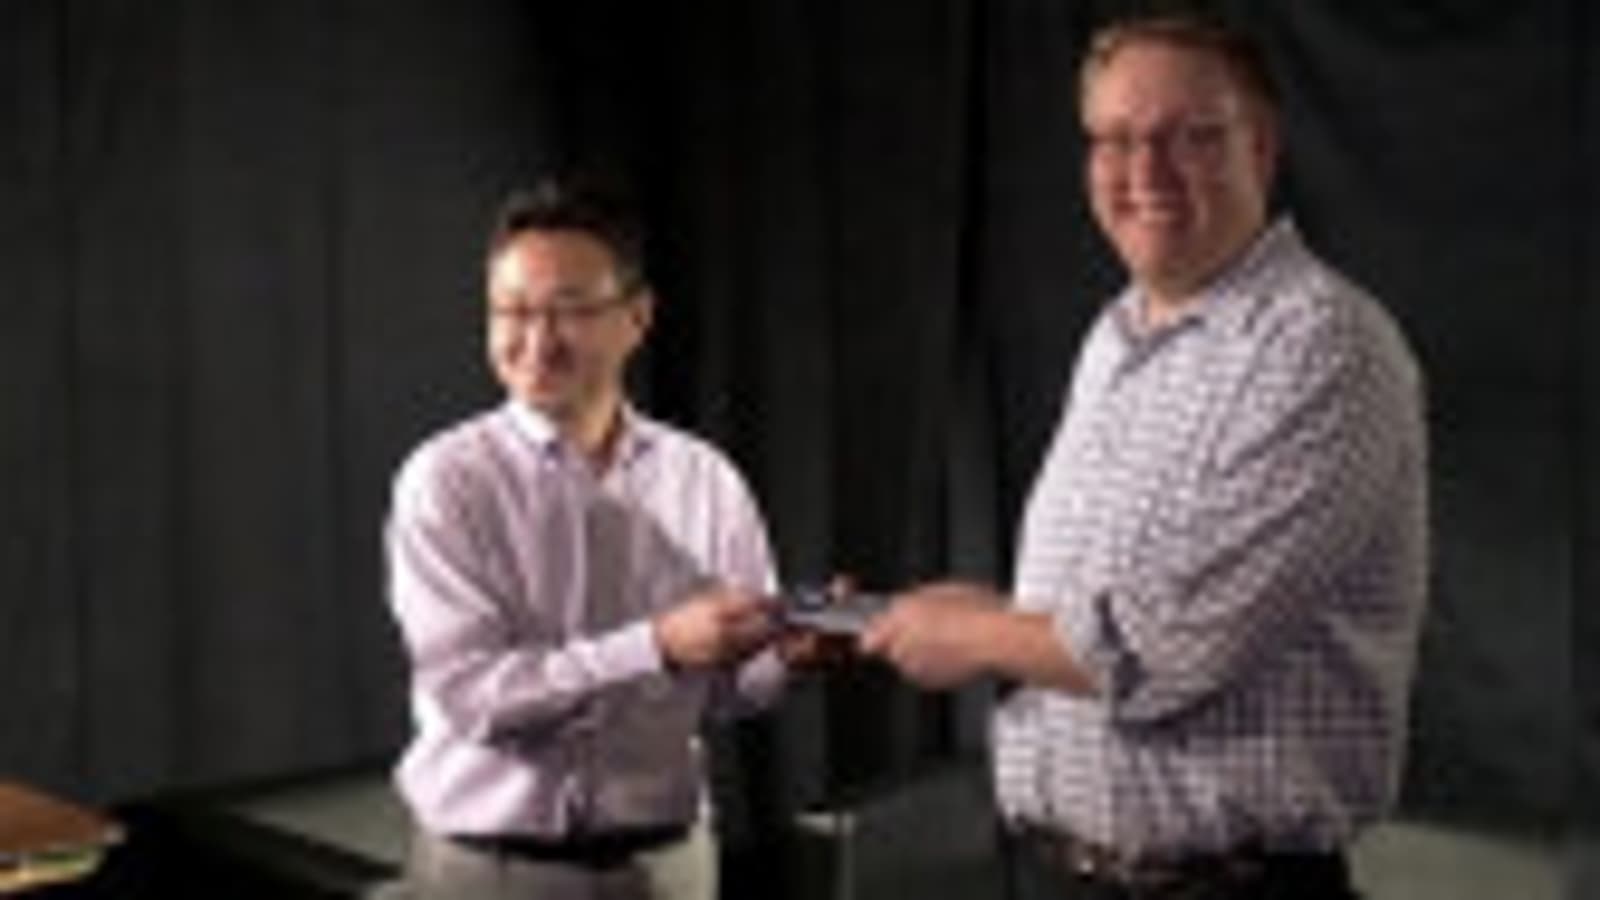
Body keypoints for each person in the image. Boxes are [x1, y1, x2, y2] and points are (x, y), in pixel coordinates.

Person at [861, 13, 1427, 900]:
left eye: (1190, 138)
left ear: (1261, 148)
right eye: (1114, 140)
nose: (1145, 172)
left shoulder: (1322, 345)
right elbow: (1095, 613)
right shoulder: (1114, 337)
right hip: (1063, 875)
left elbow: (1167, 644)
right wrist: (970, 611)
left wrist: (969, 636)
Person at [379, 176, 788, 900]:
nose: (536, 341)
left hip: (671, 867)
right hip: (488, 873)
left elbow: (732, 694)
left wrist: (783, 653)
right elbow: (471, 696)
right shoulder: (446, 480)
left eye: (568, 311)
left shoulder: (706, 478)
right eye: (512, 310)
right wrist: (657, 644)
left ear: (638, 316)